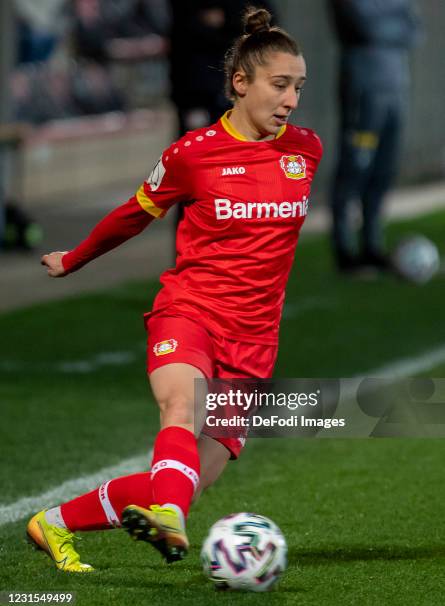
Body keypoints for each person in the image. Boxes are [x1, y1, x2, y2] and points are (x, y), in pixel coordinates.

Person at [27, 6, 322, 572]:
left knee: (192, 481)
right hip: (190, 311)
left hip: (254, 341)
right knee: (179, 410)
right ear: (241, 83)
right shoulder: (194, 154)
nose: (290, 100)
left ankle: (54, 523)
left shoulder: (305, 150)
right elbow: (134, 214)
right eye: (280, 85)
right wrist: (75, 258)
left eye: (299, 88)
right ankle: (168, 515)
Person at [329, 0, 420, 272]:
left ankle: (371, 244)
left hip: (395, 88)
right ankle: (344, 248)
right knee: (356, 166)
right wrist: (395, 25)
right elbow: (365, 26)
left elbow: (414, 31)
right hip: (364, 88)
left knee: (383, 169)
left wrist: (386, 27)